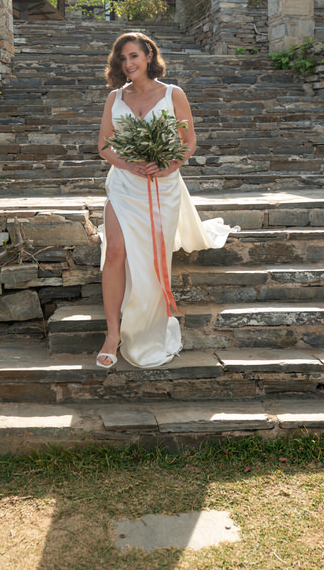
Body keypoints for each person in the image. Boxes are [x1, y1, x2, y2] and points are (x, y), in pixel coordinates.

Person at [96, 31, 238, 370]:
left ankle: (148, 325)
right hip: (124, 185)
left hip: (163, 187)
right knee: (115, 249)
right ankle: (113, 334)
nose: (127, 63)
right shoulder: (115, 98)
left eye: (133, 56)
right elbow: (104, 144)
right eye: (122, 58)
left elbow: (189, 142)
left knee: (150, 259)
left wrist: (168, 164)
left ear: (148, 55)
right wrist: (129, 164)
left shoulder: (173, 94)